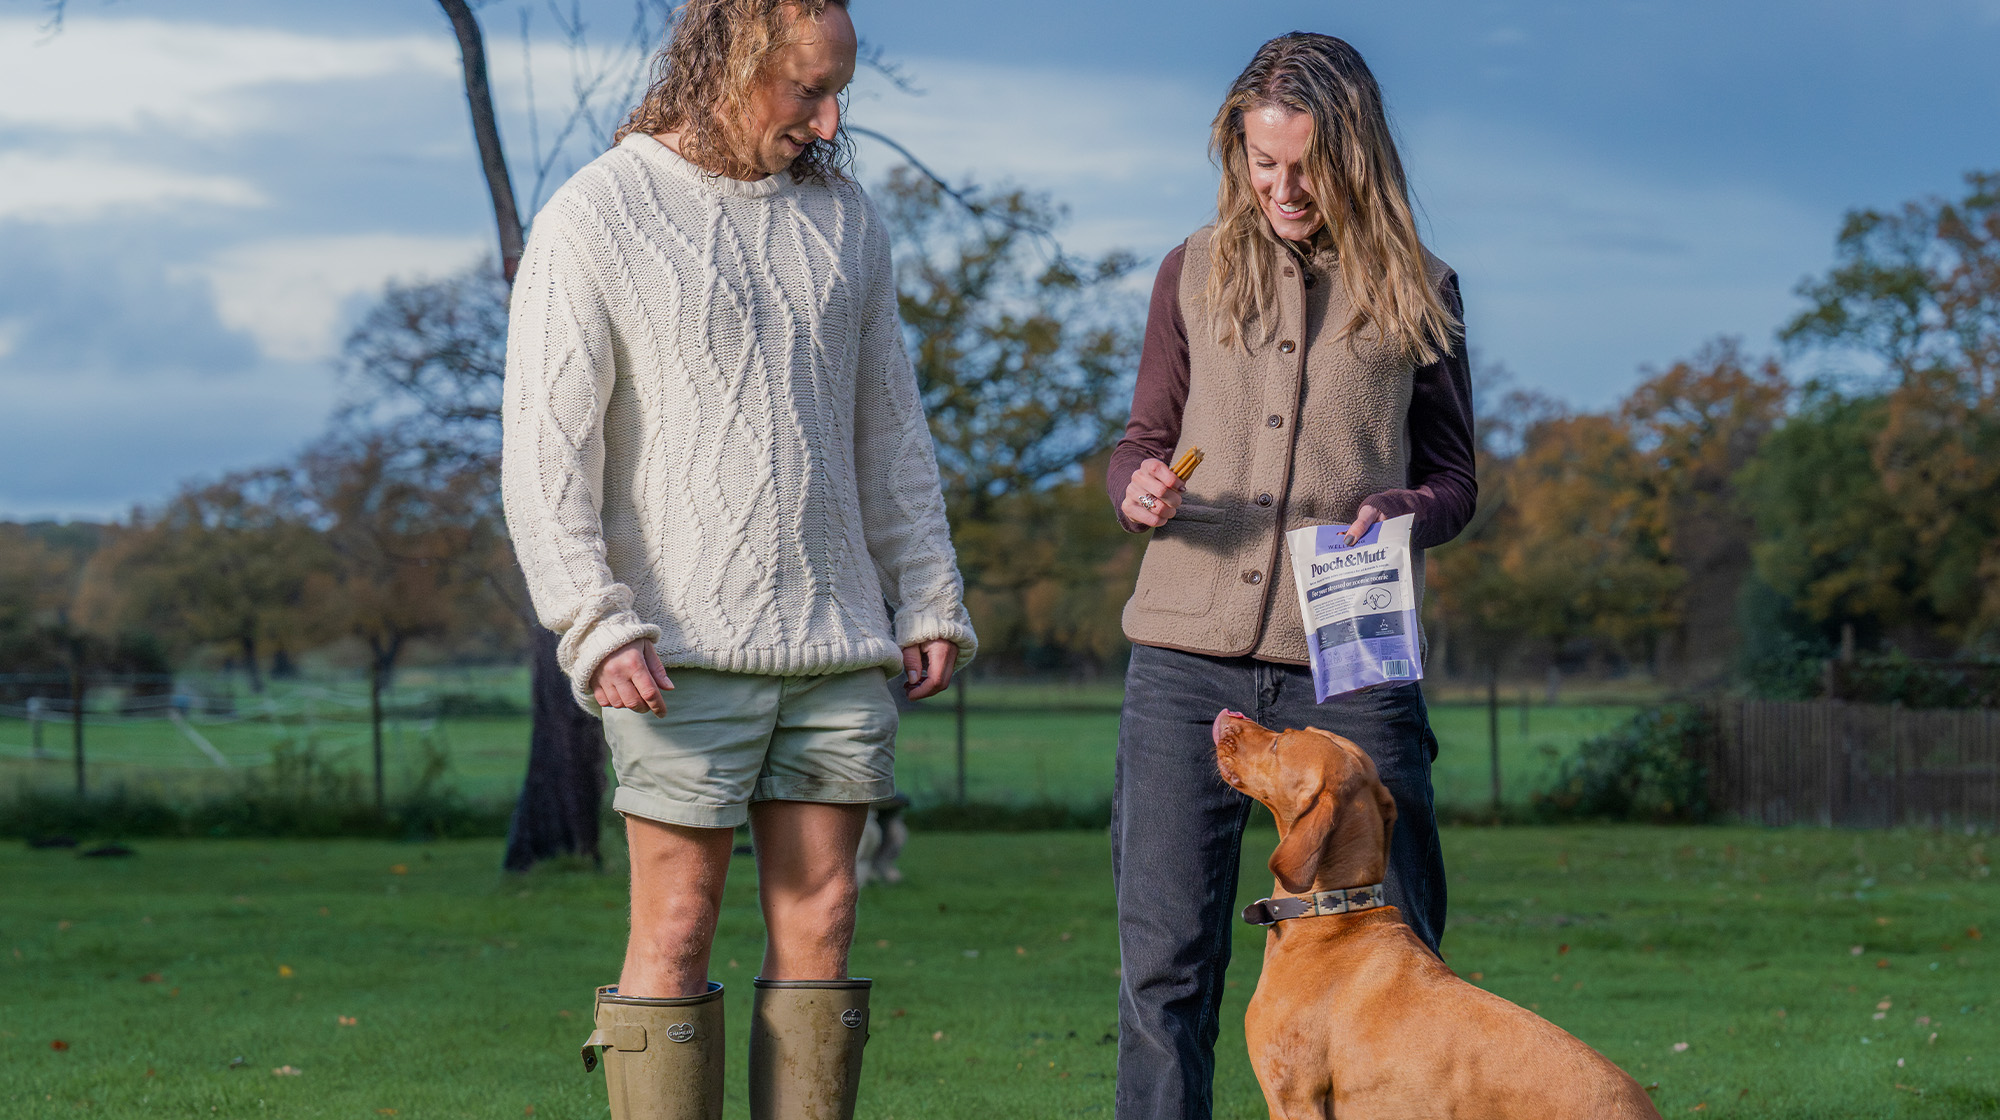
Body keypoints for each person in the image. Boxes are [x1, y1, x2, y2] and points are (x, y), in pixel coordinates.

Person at [499, 1, 975, 1116]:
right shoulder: (598, 213)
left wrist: (928, 594)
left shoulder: (846, 219)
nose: (828, 116)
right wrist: (593, 619)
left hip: (836, 640)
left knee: (824, 919)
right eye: (806, 89)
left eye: (838, 89)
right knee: (672, 927)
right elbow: (543, 452)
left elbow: (887, 427)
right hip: (676, 653)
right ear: (727, 60)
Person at [1106, 32, 1476, 1120]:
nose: (1280, 187)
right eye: (1260, 164)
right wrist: (1134, 487)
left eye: (1303, 165)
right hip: (1183, 658)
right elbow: (1140, 438)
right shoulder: (1191, 267)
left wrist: (1403, 509)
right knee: (1165, 963)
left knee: (1393, 952)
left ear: (1353, 155)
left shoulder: (1422, 287)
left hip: (1348, 666)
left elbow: (1455, 480)